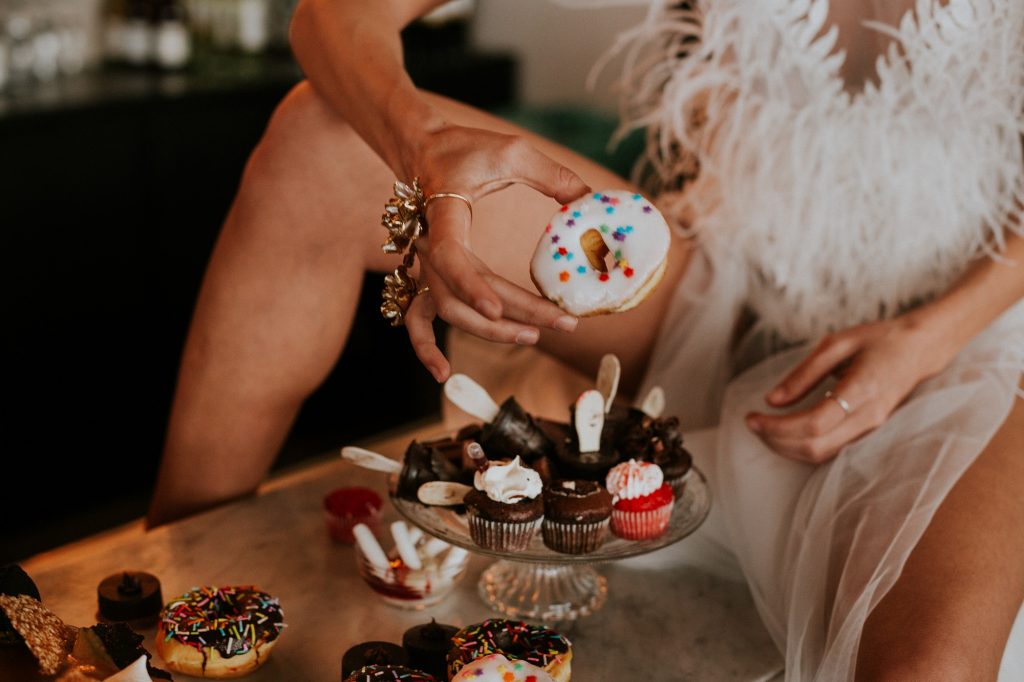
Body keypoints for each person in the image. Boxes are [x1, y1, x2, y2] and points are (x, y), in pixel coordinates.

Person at [148, 0, 1024, 678]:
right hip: (725, 281)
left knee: (928, 667)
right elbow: (333, 15)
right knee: (317, 143)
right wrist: (425, 147)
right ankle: (178, 598)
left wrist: (926, 337)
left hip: (969, 335)